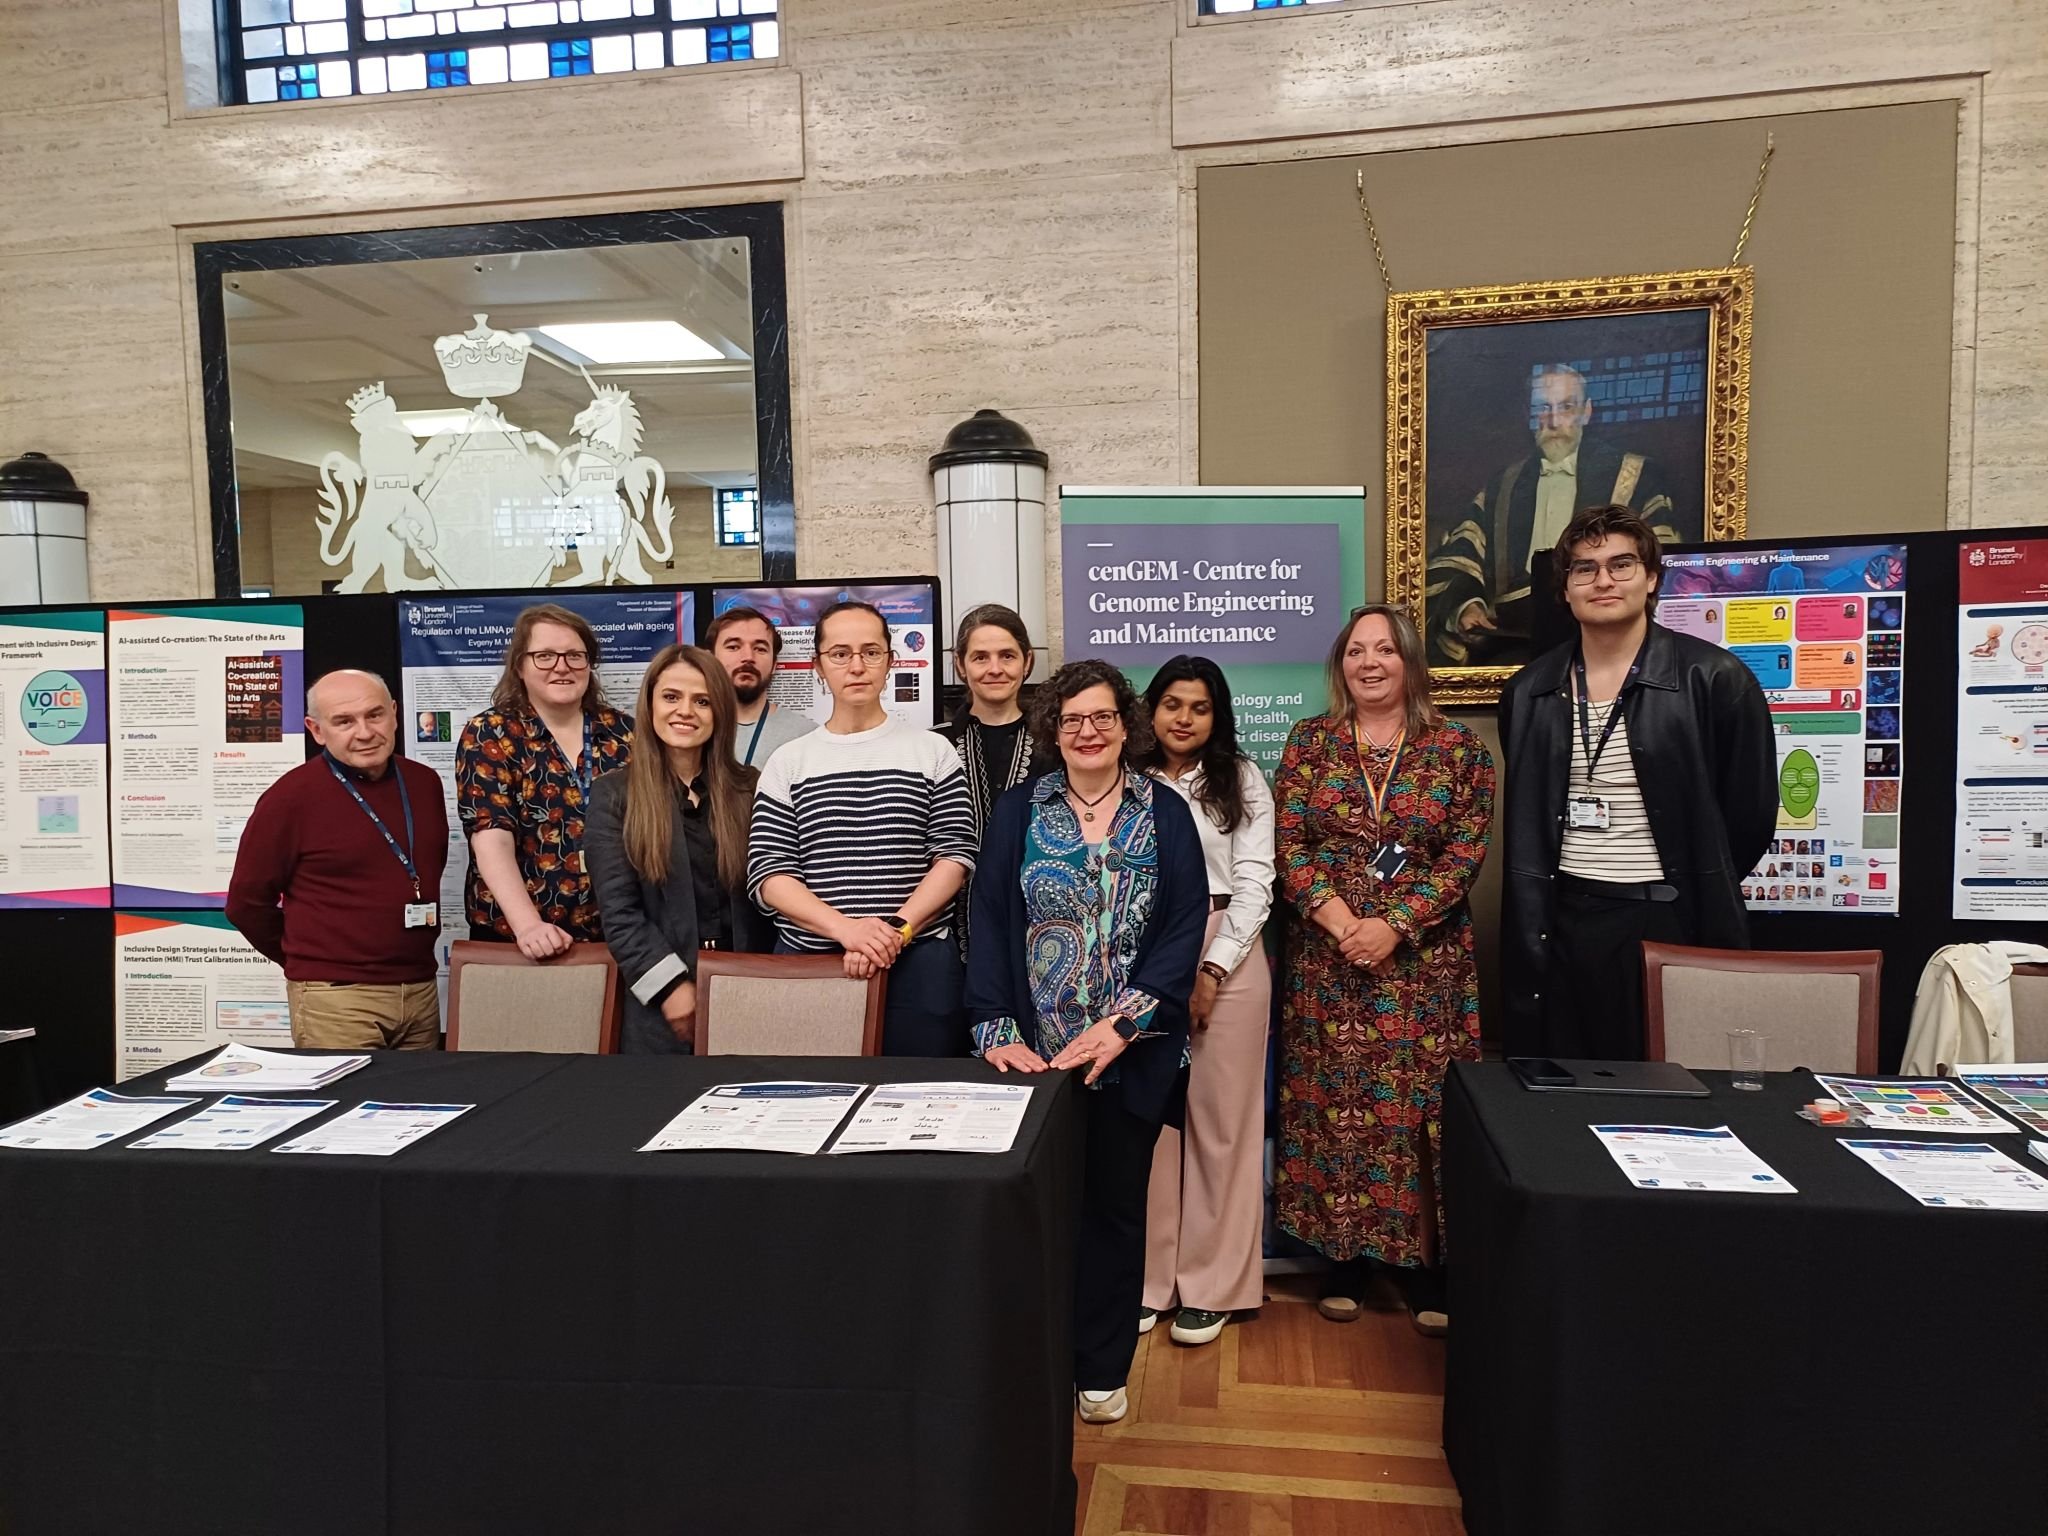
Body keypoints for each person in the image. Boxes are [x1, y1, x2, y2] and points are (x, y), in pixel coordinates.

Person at [965, 659, 1209, 1424]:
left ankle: (1101, 1368)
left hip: (1133, 1051)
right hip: (1037, 1058)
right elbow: (993, 924)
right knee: (1034, 1213)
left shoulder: (1165, 810)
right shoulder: (1018, 811)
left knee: (1113, 1213)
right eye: (1072, 719)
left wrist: (1126, 1021)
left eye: (1102, 717)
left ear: (1125, 724)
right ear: (1052, 730)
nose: (1088, 731)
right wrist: (995, 1027)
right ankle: (1032, 1361)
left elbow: (1184, 924)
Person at [1274, 605, 1495, 1334]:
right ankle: (1344, 1260)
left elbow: (1464, 853)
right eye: (1356, 651)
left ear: (1409, 663)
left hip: (1423, 968)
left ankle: (1428, 1264)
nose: (1370, 663)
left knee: (1420, 1115)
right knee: (1337, 1108)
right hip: (1330, 962)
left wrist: (1394, 926)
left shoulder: (1459, 750)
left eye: (1385, 650)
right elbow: (1290, 846)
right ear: (1341, 665)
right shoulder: (1310, 743)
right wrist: (1343, 924)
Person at [1498, 504, 1776, 1062]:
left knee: (1672, 1088)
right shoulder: (1530, 690)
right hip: (1562, 919)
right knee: (1566, 1095)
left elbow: (1747, 821)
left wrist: (1692, 881)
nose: (1603, 580)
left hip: (1667, 916)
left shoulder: (1714, 679)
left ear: (1651, 579)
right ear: (1565, 591)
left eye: (1621, 565)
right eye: (1584, 569)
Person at [748, 600, 978, 1055]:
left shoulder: (932, 752)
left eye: (871, 652)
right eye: (840, 654)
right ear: (818, 666)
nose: (857, 666)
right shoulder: (789, 761)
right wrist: (846, 931)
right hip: (811, 962)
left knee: (915, 1101)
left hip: (918, 963)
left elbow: (955, 856)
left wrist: (895, 931)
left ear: (891, 662)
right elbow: (769, 874)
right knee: (809, 1102)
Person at [1131, 655, 1275, 1349]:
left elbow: (1255, 880)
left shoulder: (1241, 778)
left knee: (1221, 1123)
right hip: (1141, 946)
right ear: (1150, 709)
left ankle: (1213, 1285)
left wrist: (1213, 968)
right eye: (1171, 704)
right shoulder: (1127, 779)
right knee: (1148, 1123)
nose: (1183, 719)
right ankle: (1149, 1280)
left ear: (1218, 716)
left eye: (1200, 707)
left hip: (1231, 949)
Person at [226, 669, 448, 1049]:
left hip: (420, 990)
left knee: (419, 1106)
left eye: (374, 715)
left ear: (394, 713)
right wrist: (313, 963)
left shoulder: (424, 783)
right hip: (338, 999)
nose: (364, 732)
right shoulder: (291, 798)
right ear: (316, 730)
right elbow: (246, 904)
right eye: (344, 721)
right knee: (345, 1106)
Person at [1425, 363, 1679, 668]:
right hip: (1514, 640)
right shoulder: (1502, 487)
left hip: (1610, 638)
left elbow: (1660, 564)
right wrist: (1467, 606)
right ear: (1529, 417)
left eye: (1566, 406)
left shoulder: (1636, 477)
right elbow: (1458, 555)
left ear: (1586, 412)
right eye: (1543, 408)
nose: (1554, 420)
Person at [586, 645, 770, 1054]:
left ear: (719, 711)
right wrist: (671, 988)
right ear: (650, 703)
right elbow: (619, 914)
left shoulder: (751, 787)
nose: (685, 711)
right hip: (662, 1007)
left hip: (749, 993)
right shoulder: (614, 795)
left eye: (702, 701)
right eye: (671, 697)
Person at [454, 603, 632, 955]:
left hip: (611, 936)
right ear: (519, 665)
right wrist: (528, 926)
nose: (562, 667)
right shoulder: (490, 733)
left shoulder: (624, 733)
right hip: (516, 939)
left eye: (574, 656)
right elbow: (492, 838)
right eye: (545, 656)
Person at [937, 603, 1055, 955]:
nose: (995, 669)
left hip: (1040, 926)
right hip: (946, 930)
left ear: (1027, 661)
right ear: (960, 664)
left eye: (1007, 656)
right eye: (980, 657)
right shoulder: (934, 744)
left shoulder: (1057, 746)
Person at [706, 604, 816, 768]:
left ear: (774, 665)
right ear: (710, 659)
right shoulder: (691, 727)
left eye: (760, 649)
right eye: (733, 647)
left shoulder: (805, 736)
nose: (748, 657)